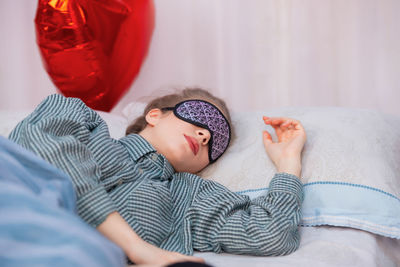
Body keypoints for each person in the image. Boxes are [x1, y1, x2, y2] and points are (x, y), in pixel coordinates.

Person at [8, 87, 306, 266]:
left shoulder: (190, 198)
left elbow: (272, 233)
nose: (204, 135)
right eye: (202, 118)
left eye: (215, 143)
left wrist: (289, 164)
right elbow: (37, 145)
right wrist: (137, 248)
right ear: (154, 114)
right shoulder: (81, 121)